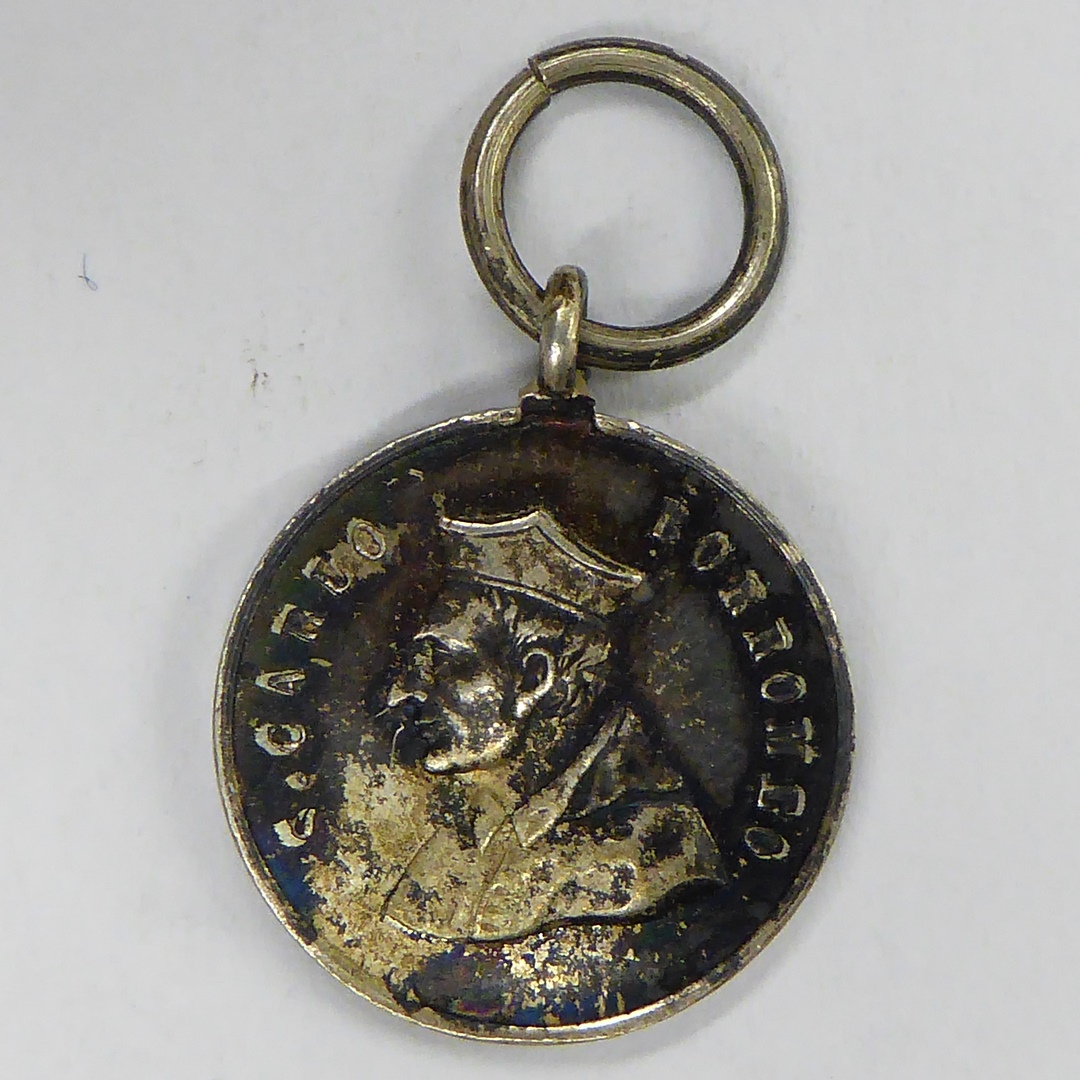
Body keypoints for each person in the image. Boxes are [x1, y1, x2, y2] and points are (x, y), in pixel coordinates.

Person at [378, 510, 726, 942]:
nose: (398, 694)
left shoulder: (653, 853)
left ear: (532, 679)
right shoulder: (473, 822)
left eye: (439, 662)